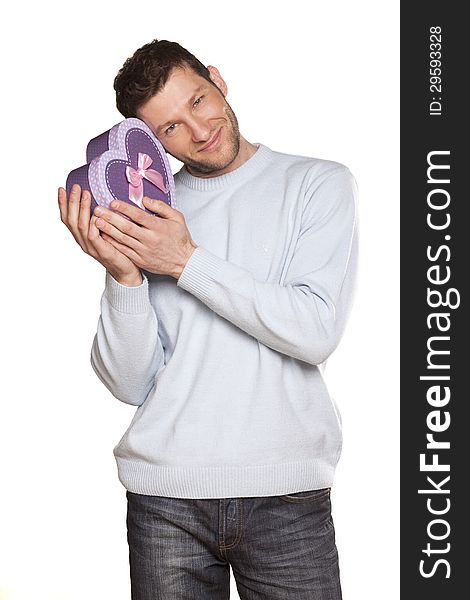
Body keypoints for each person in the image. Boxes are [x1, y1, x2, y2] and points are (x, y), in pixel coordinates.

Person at [58, 38, 358, 600]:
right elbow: (129, 384)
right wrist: (123, 274)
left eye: (198, 101)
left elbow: (315, 331)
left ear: (216, 80)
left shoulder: (318, 183)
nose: (197, 131)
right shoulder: (149, 213)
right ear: (150, 139)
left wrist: (185, 261)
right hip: (165, 498)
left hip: (287, 496)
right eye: (169, 128)